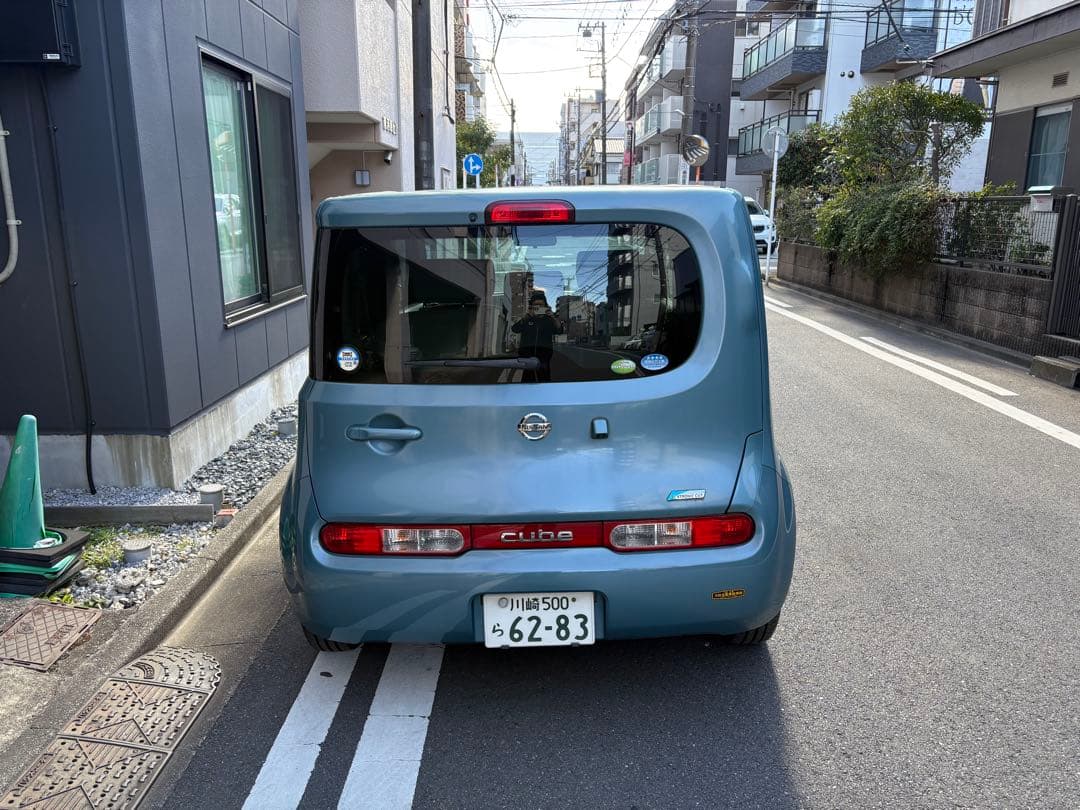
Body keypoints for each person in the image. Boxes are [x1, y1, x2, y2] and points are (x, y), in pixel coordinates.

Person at [511, 292, 563, 382]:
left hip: (544, 358)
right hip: (527, 359)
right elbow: (515, 329)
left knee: (544, 383)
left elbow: (559, 331)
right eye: (535, 305)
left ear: (545, 306)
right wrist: (526, 317)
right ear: (531, 306)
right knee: (526, 383)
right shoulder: (528, 319)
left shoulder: (549, 319)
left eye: (541, 305)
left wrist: (553, 317)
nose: (538, 307)